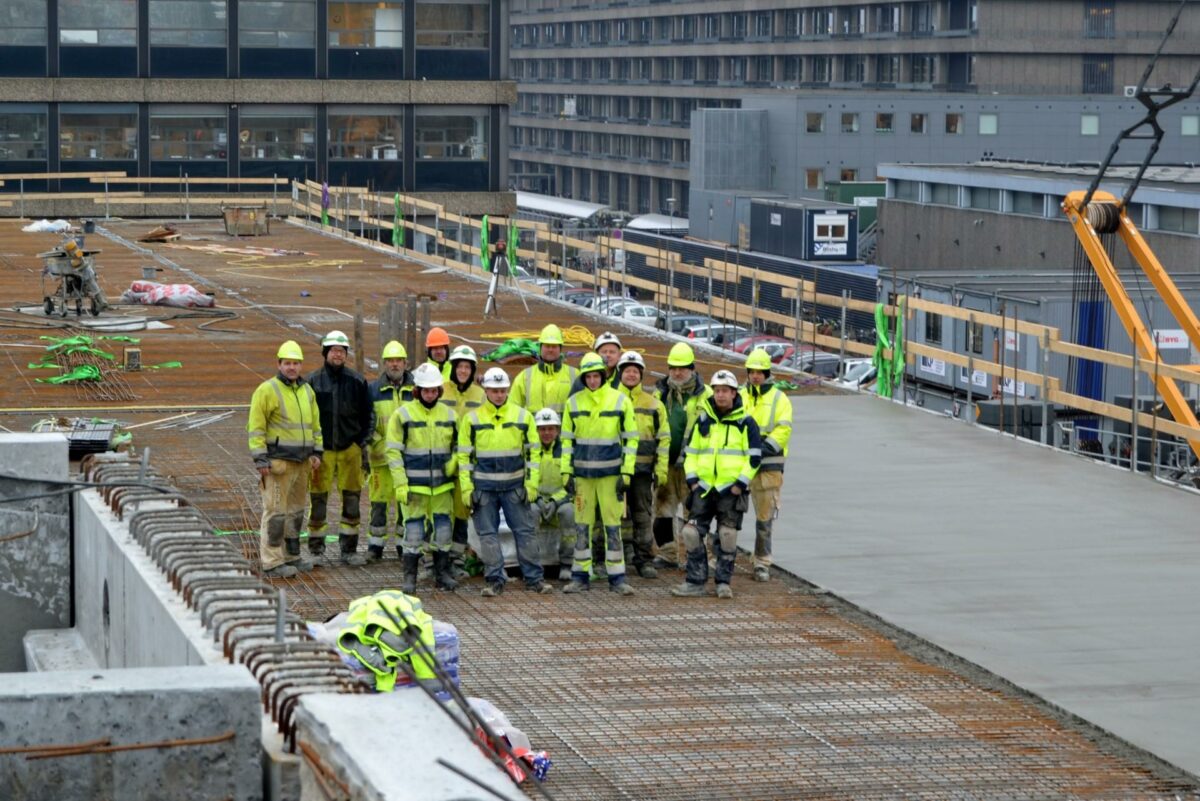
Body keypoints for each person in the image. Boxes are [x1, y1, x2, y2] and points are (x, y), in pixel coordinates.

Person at [458, 367, 550, 596]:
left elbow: (533, 454)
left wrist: (531, 484)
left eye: (502, 390)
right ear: (486, 390)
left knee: (525, 532)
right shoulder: (472, 420)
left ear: (507, 390)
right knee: (488, 535)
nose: (498, 394)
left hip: (515, 488)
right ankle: (495, 580)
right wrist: (467, 488)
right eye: (494, 390)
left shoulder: (523, 417)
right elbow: (464, 457)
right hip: (484, 489)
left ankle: (534, 578)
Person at [671, 370, 761, 600]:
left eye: (725, 391)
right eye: (717, 390)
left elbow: (754, 458)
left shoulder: (746, 423)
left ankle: (723, 582)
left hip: (731, 490)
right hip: (703, 488)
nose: (720, 395)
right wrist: (692, 481)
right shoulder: (703, 420)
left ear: (734, 393)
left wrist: (740, 484)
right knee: (691, 533)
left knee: (727, 535)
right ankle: (695, 581)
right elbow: (690, 454)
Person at [560, 352, 638, 596]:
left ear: (603, 376)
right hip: (583, 477)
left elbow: (630, 440)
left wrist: (626, 472)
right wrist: (566, 472)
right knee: (582, 526)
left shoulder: (620, 401)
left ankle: (617, 578)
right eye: (588, 377)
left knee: (612, 526)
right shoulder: (573, 403)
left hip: (610, 476)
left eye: (596, 376)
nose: (593, 380)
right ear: (583, 378)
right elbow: (566, 442)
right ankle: (580, 576)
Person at [248, 340, 322, 578]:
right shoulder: (267, 390)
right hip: (278, 464)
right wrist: (260, 459)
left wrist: (317, 452)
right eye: (288, 363)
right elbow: (256, 427)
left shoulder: (307, 391)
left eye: (296, 363)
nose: (292, 367)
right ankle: (272, 561)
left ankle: (292, 555)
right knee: (275, 512)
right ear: (279, 364)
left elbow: (315, 425)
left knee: (296, 511)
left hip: (302, 463)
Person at [386, 363, 459, 593]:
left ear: (439, 391)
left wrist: (455, 462)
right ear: (417, 390)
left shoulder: (450, 415)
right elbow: (393, 452)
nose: (430, 394)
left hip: (441, 486)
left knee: (444, 531)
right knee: (414, 533)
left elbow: (460, 446)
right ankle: (410, 578)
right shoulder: (402, 415)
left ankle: (441, 574)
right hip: (415, 488)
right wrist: (400, 483)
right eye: (426, 390)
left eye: (434, 390)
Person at [307, 330, 371, 566]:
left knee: (352, 499)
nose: (338, 354)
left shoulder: (356, 381)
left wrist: (360, 442)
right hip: (322, 451)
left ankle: (349, 550)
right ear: (326, 353)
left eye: (342, 351)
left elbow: (368, 416)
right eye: (334, 350)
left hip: (349, 450)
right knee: (318, 498)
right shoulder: (312, 382)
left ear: (346, 355)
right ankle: (315, 550)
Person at [651, 342, 709, 569]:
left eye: (682, 368)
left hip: (692, 466)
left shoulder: (706, 396)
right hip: (666, 463)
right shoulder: (660, 393)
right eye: (673, 367)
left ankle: (694, 557)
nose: (677, 372)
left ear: (692, 368)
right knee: (663, 510)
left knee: (693, 513)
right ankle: (668, 554)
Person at [740, 348, 794, 583]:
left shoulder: (779, 399)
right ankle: (724, 558)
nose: (755, 376)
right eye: (752, 371)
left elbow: (783, 429)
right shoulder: (740, 395)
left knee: (764, 519)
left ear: (767, 373)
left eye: (760, 372)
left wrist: (763, 448)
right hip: (741, 466)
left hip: (768, 467)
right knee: (729, 516)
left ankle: (761, 562)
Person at [614, 351, 669, 578]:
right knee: (615, 516)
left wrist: (661, 469)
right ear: (620, 373)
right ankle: (618, 558)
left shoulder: (654, 404)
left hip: (643, 472)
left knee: (642, 515)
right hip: (615, 471)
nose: (631, 375)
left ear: (641, 375)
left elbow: (663, 439)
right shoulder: (610, 399)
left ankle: (644, 559)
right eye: (627, 371)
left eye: (635, 371)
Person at [365, 340, 414, 562]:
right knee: (379, 503)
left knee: (406, 503)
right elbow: (366, 421)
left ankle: (403, 545)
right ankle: (376, 546)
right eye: (390, 361)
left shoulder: (415, 390)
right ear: (384, 364)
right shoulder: (373, 390)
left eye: (398, 360)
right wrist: (375, 442)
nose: (394, 364)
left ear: (405, 363)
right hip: (381, 459)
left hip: (406, 458)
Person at [442, 344, 484, 574]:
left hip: (467, 462)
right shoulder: (441, 390)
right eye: (460, 366)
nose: (463, 371)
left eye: (467, 367)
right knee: (439, 510)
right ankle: (436, 560)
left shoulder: (480, 395)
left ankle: (456, 560)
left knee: (460, 512)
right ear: (454, 368)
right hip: (443, 459)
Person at [528, 408, 575, 580]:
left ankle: (567, 564)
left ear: (557, 430)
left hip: (561, 500)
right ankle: (532, 566)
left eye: (551, 428)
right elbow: (525, 479)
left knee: (569, 513)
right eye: (542, 429)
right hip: (536, 499)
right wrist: (539, 499)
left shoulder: (566, 451)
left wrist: (555, 501)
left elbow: (572, 483)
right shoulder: (530, 451)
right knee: (530, 513)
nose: (546, 433)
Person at [510, 324, 577, 417]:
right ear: (540, 347)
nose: (550, 349)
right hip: (533, 431)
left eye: (554, 346)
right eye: (547, 346)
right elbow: (512, 409)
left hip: (564, 431)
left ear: (560, 349)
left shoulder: (575, 375)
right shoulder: (524, 376)